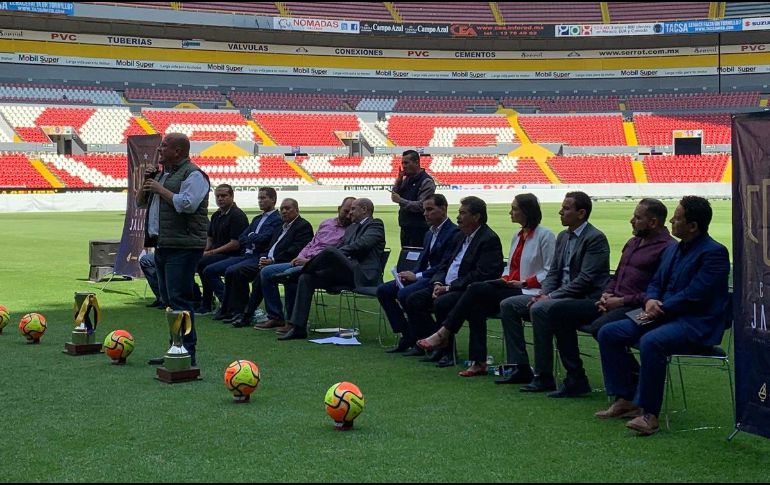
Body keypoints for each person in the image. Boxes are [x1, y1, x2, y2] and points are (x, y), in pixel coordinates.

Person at [595, 196, 730, 436]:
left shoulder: (715, 253)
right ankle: (626, 398)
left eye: (677, 219)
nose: (671, 222)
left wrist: (660, 306)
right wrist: (650, 300)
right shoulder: (673, 250)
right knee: (608, 332)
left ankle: (649, 414)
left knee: (651, 341)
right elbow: (656, 282)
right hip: (661, 314)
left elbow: (696, 294)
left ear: (693, 226)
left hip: (694, 322)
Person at [417, 193, 555, 378]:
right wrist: (504, 279)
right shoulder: (517, 235)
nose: (510, 212)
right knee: (476, 303)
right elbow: (510, 268)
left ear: (527, 211)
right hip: (512, 287)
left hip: (530, 290)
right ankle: (478, 361)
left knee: (475, 290)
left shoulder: (545, 236)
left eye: (514, 209)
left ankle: (444, 333)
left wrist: (522, 282)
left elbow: (549, 270)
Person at [498, 191, 610, 397]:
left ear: (581, 213)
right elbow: (554, 272)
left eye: (566, 208)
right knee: (509, 305)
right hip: (559, 296)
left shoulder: (595, 238)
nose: (560, 211)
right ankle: (520, 366)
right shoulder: (563, 236)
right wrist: (544, 292)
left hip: (586, 300)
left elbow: (585, 280)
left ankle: (544, 376)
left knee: (543, 308)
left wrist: (549, 297)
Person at [136, 133, 210, 367]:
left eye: (164, 147)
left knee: (180, 299)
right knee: (169, 300)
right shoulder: (162, 174)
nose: (159, 150)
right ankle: (175, 347)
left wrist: (160, 189)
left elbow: (187, 205)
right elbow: (140, 203)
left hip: (184, 246)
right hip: (164, 243)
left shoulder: (194, 174)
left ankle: (186, 352)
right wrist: (148, 184)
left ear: (178, 151)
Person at [406, 196, 503, 368]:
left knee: (443, 303)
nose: (458, 217)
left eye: (463, 213)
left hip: (465, 289)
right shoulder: (460, 236)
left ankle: (447, 351)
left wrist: (449, 287)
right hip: (447, 286)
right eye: (459, 213)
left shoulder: (488, 239)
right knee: (414, 299)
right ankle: (432, 343)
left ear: (476, 216)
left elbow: (481, 274)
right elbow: (444, 265)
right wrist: (437, 283)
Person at [278, 198, 386, 341]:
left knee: (330, 251)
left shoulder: (375, 224)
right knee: (306, 278)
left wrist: (338, 253)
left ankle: (299, 270)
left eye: (353, 209)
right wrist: (338, 253)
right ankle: (298, 328)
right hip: (344, 273)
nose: (350, 213)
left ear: (364, 209)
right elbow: (342, 247)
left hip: (363, 276)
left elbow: (361, 245)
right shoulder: (352, 228)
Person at [254, 197, 355, 331]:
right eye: (346, 211)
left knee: (290, 276)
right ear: (339, 209)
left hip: (319, 266)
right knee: (266, 272)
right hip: (302, 260)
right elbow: (312, 243)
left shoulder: (352, 231)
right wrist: (300, 257)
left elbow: (336, 255)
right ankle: (276, 316)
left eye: (351, 212)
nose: (348, 215)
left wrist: (308, 261)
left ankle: (292, 321)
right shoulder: (326, 223)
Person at [582, 199, 676, 338]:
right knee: (558, 311)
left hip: (640, 308)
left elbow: (659, 290)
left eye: (638, 218)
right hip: (614, 302)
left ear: (653, 222)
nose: (631, 221)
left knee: (601, 328)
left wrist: (620, 301)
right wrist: (606, 294)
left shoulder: (669, 248)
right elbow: (618, 274)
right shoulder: (633, 242)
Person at [378, 194, 459, 354]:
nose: (425, 214)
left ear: (443, 209)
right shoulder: (429, 233)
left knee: (405, 294)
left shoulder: (453, 233)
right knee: (383, 291)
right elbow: (424, 261)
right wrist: (411, 273)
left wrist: (417, 276)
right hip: (423, 275)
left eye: (429, 209)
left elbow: (444, 265)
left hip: (435, 278)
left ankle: (428, 338)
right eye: (424, 210)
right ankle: (407, 334)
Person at [228, 198, 313, 327]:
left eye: (288, 208)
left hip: (286, 263)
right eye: (282, 209)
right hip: (268, 261)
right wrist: (264, 258)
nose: (284, 211)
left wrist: (272, 260)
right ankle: (237, 311)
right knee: (239, 271)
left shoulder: (303, 226)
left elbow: (295, 250)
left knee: (261, 276)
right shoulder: (280, 226)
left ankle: (257, 315)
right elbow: (270, 247)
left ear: (297, 210)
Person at [203, 187, 281, 321]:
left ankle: (236, 309)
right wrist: (252, 237)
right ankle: (230, 307)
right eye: (259, 198)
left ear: (273, 200)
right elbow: (242, 237)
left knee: (233, 271)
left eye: (263, 198)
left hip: (258, 256)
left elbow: (264, 239)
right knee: (210, 270)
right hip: (246, 255)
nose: (260, 201)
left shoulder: (277, 219)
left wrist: (251, 237)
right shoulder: (257, 218)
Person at [195, 184, 249, 314]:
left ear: (231, 196)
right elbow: (210, 238)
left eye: (224, 196)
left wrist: (211, 252)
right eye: (218, 196)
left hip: (234, 255)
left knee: (204, 264)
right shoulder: (216, 215)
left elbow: (235, 244)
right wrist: (205, 251)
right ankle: (205, 301)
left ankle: (225, 301)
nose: (220, 199)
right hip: (218, 254)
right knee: (196, 260)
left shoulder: (237, 216)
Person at [392, 150, 436, 247]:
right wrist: (398, 181)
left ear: (416, 163)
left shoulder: (426, 181)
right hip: (406, 227)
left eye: (406, 163)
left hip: (420, 229)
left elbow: (422, 206)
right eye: (402, 163)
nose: (404, 166)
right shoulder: (407, 179)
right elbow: (394, 195)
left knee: (417, 258)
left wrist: (400, 200)